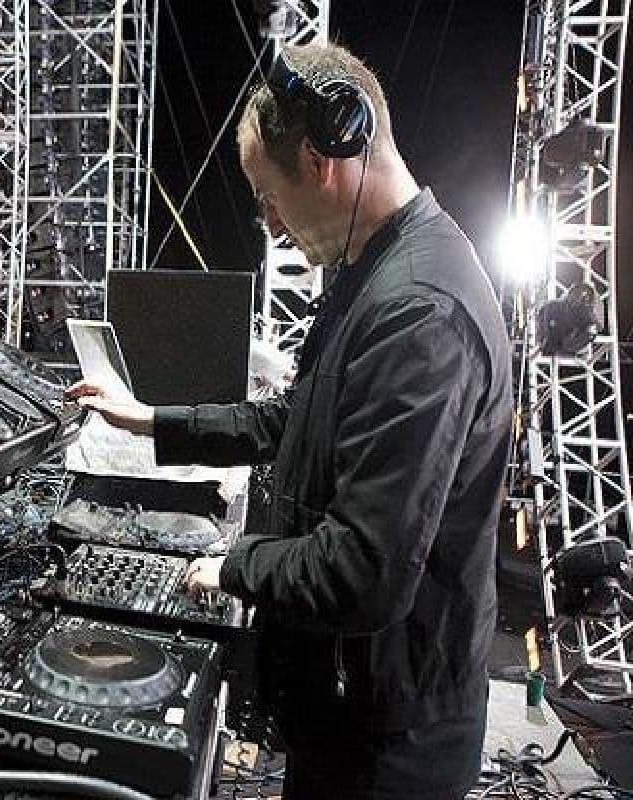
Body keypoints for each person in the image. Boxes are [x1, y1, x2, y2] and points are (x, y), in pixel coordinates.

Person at [67, 42, 512, 800]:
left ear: (319, 160)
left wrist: (233, 566)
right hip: (354, 709)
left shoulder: (417, 313)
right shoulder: (380, 273)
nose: (270, 224)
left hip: (385, 745)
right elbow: (294, 416)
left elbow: (362, 573)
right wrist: (148, 421)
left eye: (267, 196)